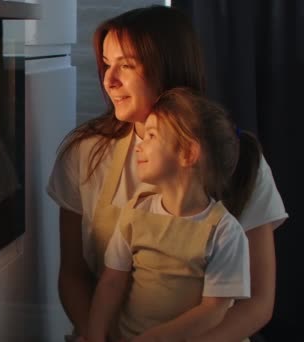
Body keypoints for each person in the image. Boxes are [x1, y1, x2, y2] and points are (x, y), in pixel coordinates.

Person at [46, 5, 288, 342]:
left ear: (168, 67)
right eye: (106, 63)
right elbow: (73, 274)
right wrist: (94, 335)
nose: (108, 79)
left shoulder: (240, 158)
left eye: (126, 65)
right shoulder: (85, 155)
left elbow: (259, 302)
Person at [87, 87, 254, 342]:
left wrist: (155, 339)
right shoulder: (135, 213)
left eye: (152, 135)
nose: (140, 144)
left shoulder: (224, 232)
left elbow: (214, 309)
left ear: (188, 153)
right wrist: (94, 336)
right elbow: (111, 281)